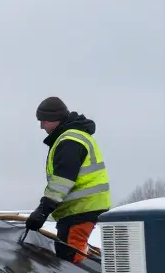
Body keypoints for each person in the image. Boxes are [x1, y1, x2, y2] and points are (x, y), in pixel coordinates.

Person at [24, 96, 111, 263]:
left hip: (81, 209)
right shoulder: (72, 137)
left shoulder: (70, 140)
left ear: (54, 118)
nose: (41, 126)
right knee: (67, 254)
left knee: (71, 260)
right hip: (79, 209)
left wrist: (43, 210)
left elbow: (62, 181)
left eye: (43, 120)